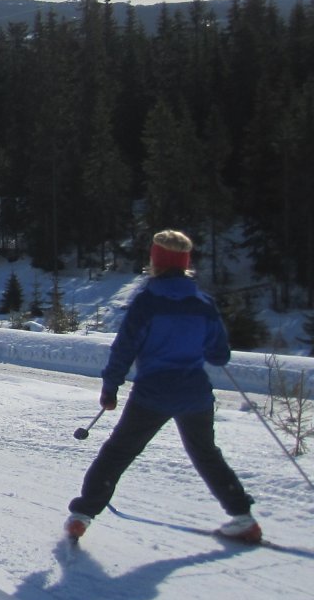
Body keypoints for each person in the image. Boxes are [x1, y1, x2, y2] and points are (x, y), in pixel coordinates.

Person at [65, 229, 260, 543]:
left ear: (155, 261)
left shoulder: (147, 301)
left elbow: (124, 349)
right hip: (195, 394)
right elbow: (219, 354)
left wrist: (110, 388)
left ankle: (82, 515)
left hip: (152, 395)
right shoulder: (203, 302)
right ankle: (243, 518)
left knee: (117, 453)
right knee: (206, 454)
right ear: (185, 263)